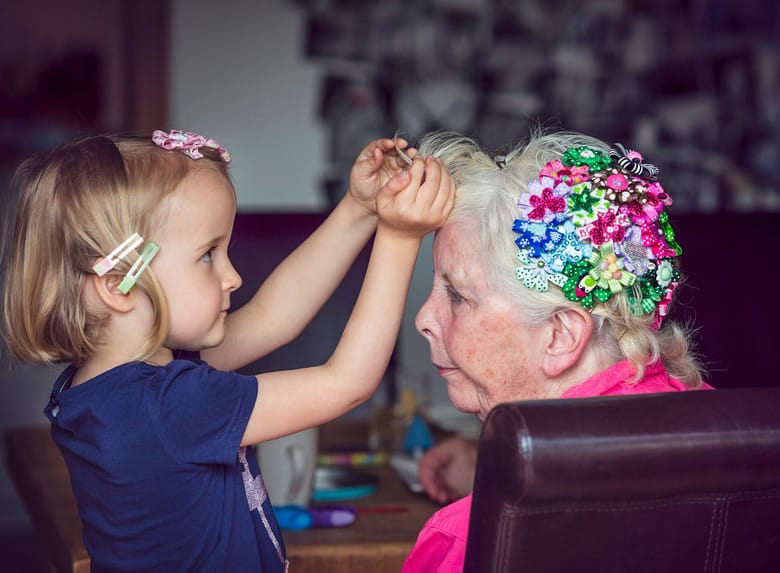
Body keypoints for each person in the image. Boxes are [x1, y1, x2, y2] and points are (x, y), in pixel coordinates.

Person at [1, 129, 453, 572]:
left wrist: (358, 210)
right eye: (207, 254)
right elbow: (347, 384)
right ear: (120, 285)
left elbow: (273, 318)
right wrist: (400, 238)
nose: (232, 275)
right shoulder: (168, 405)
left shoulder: (129, 383)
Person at [401, 129, 711, 572]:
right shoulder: (728, 442)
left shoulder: (471, 541)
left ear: (561, 335)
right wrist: (490, 467)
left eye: (457, 296)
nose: (424, 319)